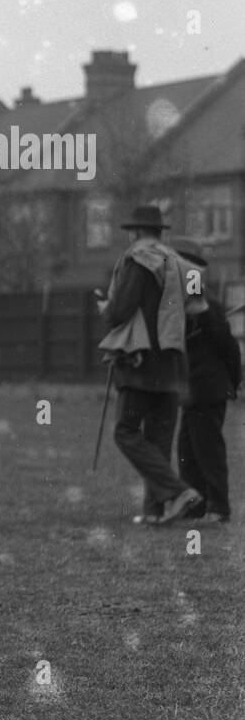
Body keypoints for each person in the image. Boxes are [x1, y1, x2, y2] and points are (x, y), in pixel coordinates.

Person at [98, 205, 202, 525]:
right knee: (158, 439)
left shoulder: (138, 260)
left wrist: (106, 307)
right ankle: (155, 511)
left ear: (136, 232)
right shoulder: (181, 264)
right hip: (171, 362)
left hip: (140, 360)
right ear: (159, 232)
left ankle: (179, 492)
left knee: (126, 432)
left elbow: (120, 311)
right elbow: (196, 308)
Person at [171, 237, 241, 524]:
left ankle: (219, 508)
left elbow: (228, 347)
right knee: (187, 450)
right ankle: (198, 506)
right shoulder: (184, 302)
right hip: (193, 391)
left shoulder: (205, 303)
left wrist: (233, 382)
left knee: (207, 450)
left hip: (208, 389)